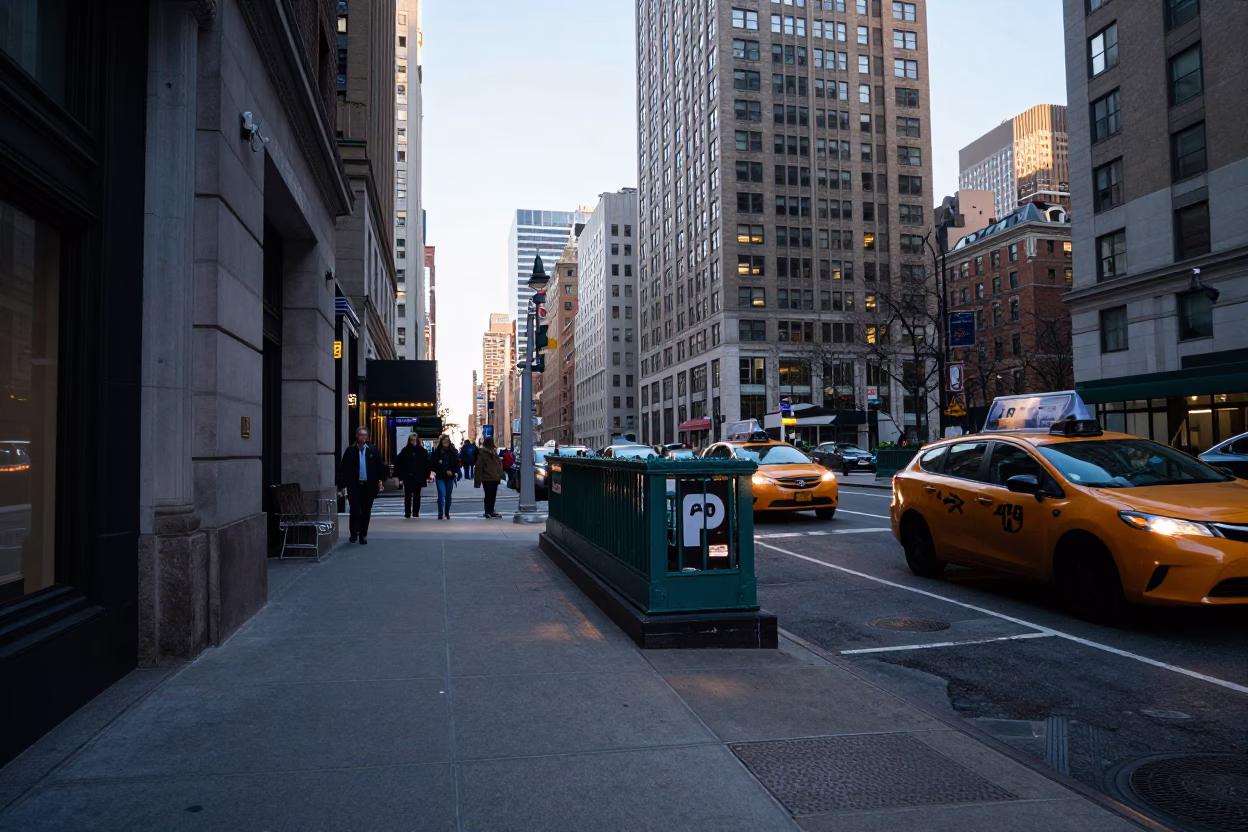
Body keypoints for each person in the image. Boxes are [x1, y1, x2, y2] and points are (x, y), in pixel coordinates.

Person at [337, 426, 384, 544]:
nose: (363, 437)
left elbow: (379, 467)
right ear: (357, 437)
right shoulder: (350, 451)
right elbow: (343, 469)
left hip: (369, 486)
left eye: (365, 435)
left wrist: (381, 481)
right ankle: (353, 533)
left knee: (366, 511)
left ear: (367, 437)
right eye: (361, 435)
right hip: (355, 486)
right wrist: (341, 485)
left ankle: (363, 535)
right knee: (355, 510)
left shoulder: (373, 450)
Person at [394, 434, 431, 518]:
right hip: (408, 476)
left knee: (417, 495)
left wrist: (426, 475)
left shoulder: (422, 451)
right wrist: (398, 476)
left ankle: (415, 512)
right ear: (409, 441)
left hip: (418, 476)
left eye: (415, 440)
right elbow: (399, 463)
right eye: (412, 440)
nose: (414, 442)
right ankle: (407, 512)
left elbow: (426, 464)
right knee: (408, 495)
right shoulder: (405, 451)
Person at [430, 434, 460, 520]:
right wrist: (442, 471)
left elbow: (456, 464)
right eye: (444, 442)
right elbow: (433, 465)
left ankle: (447, 512)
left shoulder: (453, 452)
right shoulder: (437, 452)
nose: (445, 444)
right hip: (440, 476)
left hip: (450, 477)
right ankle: (440, 512)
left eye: (447, 441)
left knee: (448, 495)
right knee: (441, 494)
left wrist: (453, 472)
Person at [474, 437, 505, 518]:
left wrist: (500, 475)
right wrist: (477, 481)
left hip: (494, 477)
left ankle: (490, 511)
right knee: (489, 495)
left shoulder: (493, 452)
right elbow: (479, 467)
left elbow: (498, 465)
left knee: (492, 496)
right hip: (488, 478)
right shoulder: (483, 453)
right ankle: (488, 511)